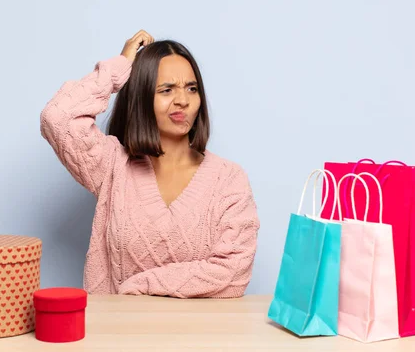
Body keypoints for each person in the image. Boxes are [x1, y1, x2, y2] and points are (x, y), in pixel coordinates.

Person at [40, 30, 260, 298]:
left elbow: (234, 272)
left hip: (201, 337)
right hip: (117, 335)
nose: (183, 100)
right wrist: (120, 66)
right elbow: (58, 118)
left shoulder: (228, 179)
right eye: (166, 90)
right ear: (142, 97)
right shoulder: (112, 167)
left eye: (191, 88)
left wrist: (142, 285)